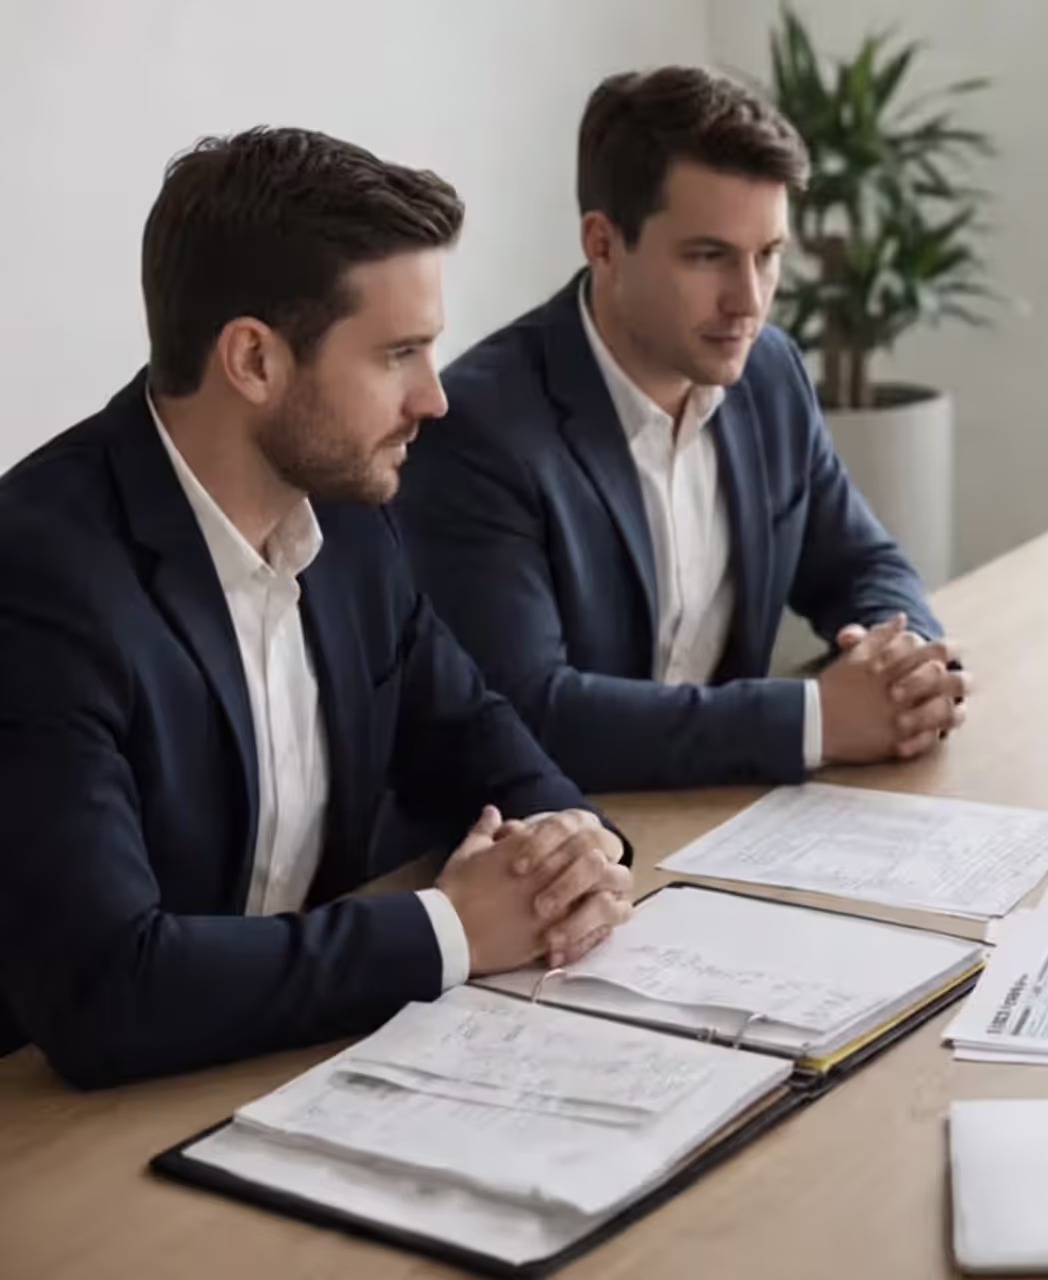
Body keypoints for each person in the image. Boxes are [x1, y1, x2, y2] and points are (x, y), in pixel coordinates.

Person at [0, 128, 634, 1089]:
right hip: (63, 1138)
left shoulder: (348, 518)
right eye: (399, 354)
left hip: (294, 1067)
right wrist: (452, 928)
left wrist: (571, 850)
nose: (435, 397)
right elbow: (105, 989)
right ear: (253, 359)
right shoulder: (38, 576)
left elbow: (484, 743)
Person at [393, 67, 969, 794]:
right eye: (709, 257)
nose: (749, 300)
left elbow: (860, 562)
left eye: (769, 255)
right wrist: (815, 719)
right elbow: (529, 713)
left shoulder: (769, 374)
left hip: (724, 815)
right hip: (554, 843)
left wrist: (905, 659)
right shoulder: (478, 429)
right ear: (602, 244)